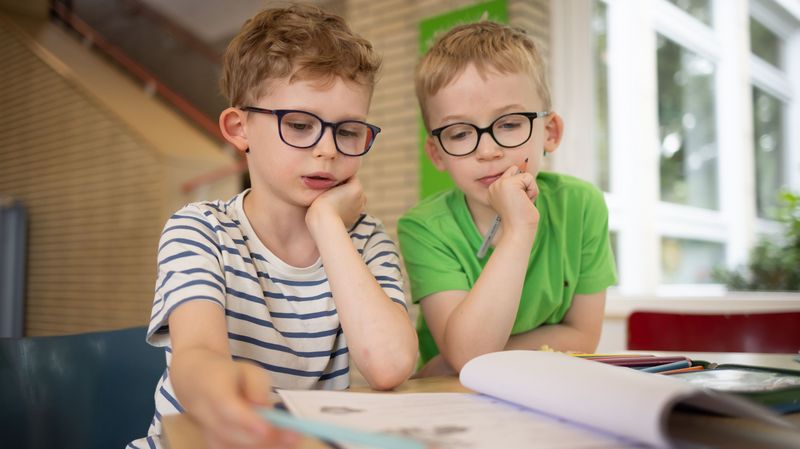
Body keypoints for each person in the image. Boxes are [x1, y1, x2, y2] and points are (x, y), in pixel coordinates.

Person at [129, 5, 417, 448]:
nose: (327, 150)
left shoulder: (364, 239)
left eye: (349, 131)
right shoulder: (200, 229)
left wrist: (327, 225)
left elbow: (389, 364)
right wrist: (223, 391)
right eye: (299, 125)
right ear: (239, 127)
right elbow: (196, 354)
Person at [398, 21, 617, 378]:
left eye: (509, 124)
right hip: (454, 398)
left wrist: (467, 356)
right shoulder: (422, 227)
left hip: (545, 385)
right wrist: (518, 230)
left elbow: (583, 336)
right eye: (459, 133)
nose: (488, 150)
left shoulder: (582, 206)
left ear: (550, 132)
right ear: (437, 154)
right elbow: (469, 354)